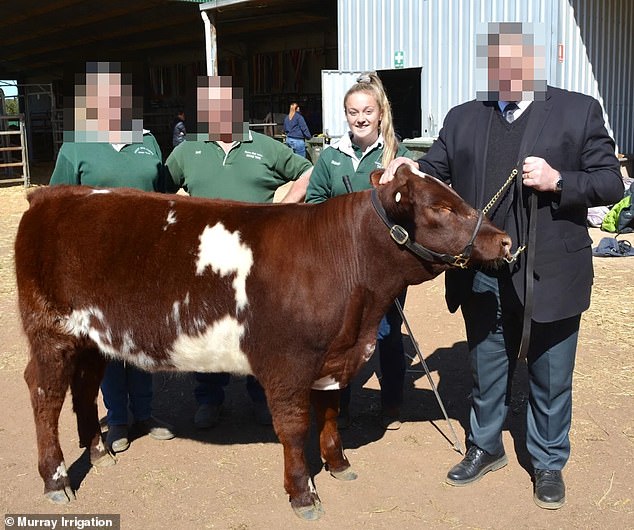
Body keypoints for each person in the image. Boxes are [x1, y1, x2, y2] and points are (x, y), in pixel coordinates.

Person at [381, 22, 623, 508]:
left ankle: (549, 461)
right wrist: (407, 170)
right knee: (486, 365)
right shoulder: (465, 116)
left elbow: (611, 184)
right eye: (496, 62)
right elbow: (439, 172)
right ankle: (485, 445)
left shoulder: (578, 110)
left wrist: (559, 180)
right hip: (482, 271)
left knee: (551, 373)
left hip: (551, 270)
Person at [165, 75, 313, 429]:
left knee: (257, 329)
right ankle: (209, 399)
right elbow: (158, 185)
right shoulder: (189, 149)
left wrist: (287, 207)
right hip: (206, 262)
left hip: (255, 261)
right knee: (207, 330)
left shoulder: (264, 146)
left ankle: (261, 397)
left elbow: (310, 169)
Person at [50, 61, 175, 453]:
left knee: (143, 339)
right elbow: (56, 205)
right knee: (106, 343)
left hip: (145, 260)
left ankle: (145, 412)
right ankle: (117, 419)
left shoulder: (148, 140)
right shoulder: (76, 146)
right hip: (98, 266)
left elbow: (165, 193)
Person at [305, 72, 413, 430]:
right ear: (346, 115)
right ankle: (342, 407)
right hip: (340, 266)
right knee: (341, 336)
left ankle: (392, 404)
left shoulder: (398, 155)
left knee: (385, 333)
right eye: (353, 112)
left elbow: (413, 209)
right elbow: (316, 199)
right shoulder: (331, 157)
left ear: (380, 113)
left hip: (383, 267)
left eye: (367, 110)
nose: (361, 118)